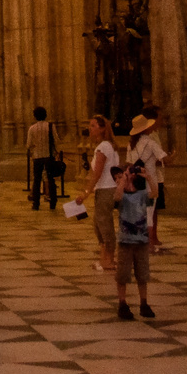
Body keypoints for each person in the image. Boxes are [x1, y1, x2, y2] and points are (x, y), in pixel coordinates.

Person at [114, 162, 158, 320]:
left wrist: (148, 177)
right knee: (123, 274)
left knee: (142, 273)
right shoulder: (121, 194)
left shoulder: (141, 194)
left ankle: (144, 302)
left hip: (141, 240)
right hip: (126, 240)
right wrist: (123, 181)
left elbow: (155, 193)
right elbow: (117, 197)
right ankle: (122, 303)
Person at [75, 114, 119, 270]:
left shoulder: (103, 147)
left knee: (104, 225)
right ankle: (104, 258)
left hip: (106, 189)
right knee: (99, 225)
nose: (90, 128)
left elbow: (97, 173)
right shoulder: (106, 146)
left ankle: (109, 260)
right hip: (104, 189)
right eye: (90, 125)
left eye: (93, 125)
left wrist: (85, 193)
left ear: (102, 129)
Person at [140, 103, 174, 252]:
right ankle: (148, 240)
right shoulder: (148, 139)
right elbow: (162, 158)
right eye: (159, 117)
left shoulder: (151, 136)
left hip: (154, 176)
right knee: (149, 209)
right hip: (150, 178)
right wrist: (173, 155)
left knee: (152, 208)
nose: (161, 120)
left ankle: (152, 237)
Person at [26, 105, 60, 210]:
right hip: (49, 156)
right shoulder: (50, 126)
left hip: (37, 157)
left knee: (37, 180)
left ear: (35, 116)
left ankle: (36, 204)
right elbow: (56, 140)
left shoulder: (32, 128)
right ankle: (53, 202)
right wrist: (56, 151)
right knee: (51, 179)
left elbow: (29, 144)